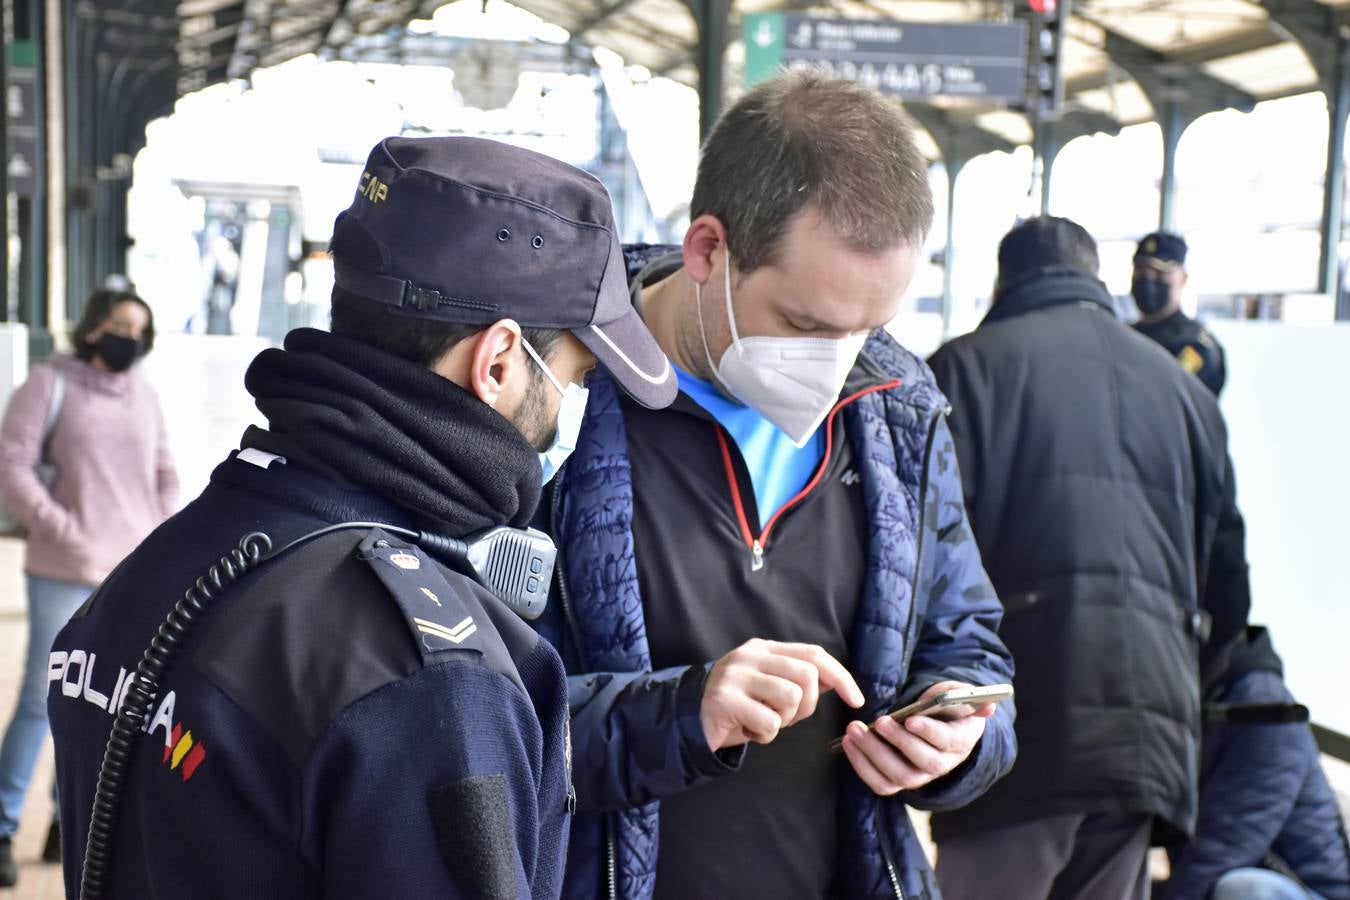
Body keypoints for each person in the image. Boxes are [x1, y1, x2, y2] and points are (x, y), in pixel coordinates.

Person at [46, 136, 677, 898]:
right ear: (500, 363)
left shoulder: (171, 557)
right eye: (577, 377)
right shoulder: (432, 683)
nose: (571, 411)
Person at [533, 71, 1016, 900]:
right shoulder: (550, 397)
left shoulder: (899, 412)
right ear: (708, 250)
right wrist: (682, 712)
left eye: (869, 326)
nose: (835, 365)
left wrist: (960, 743)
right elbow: (465, 714)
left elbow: (968, 642)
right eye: (804, 325)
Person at [927, 216, 1252, 900]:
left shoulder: (965, 368)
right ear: (1097, 279)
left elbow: (917, 561)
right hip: (1150, 735)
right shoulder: (1188, 392)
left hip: (1017, 725)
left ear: (1002, 281)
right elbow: (1228, 584)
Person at [0, 287, 177, 888]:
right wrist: (63, 527)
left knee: (98, 704)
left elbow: (164, 474)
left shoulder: (145, 397)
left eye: (142, 329)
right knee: (37, 700)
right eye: (123, 324)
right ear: (95, 327)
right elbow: (13, 465)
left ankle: (62, 821)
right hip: (61, 567)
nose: (132, 337)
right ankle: (2, 824)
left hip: (128, 572)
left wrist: (160, 538)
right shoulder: (49, 386)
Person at [1155, 625, 1350, 900]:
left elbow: (1225, 846)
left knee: (1245, 890)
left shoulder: (1263, 708)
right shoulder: (1202, 700)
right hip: (1245, 872)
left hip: (1312, 890)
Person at [1131, 231, 1227, 396]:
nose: (1148, 279)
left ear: (1183, 278)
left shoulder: (1194, 345)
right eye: (1141, 271)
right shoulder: (1124, 332)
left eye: (1160, 272)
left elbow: (1167, 399)